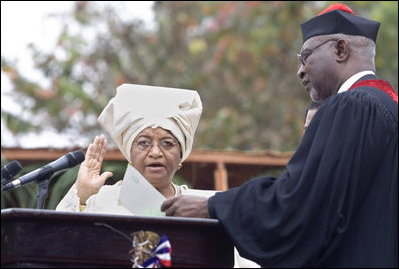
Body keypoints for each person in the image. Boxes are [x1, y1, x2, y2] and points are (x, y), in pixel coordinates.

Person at [161, 3, 398, 268]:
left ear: (340, 50)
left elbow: (301, 207)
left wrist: (213, 206)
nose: (300, 71)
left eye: (305, 57)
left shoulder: (352, 107)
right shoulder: (389, 107)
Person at [56, 84, 215, 214]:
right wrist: (83, 198)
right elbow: (59, 241)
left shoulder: (203, 205)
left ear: (181, 154)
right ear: (129, 154)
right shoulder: (104, 201)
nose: (155, 152)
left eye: (167, 143)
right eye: (144, 143)